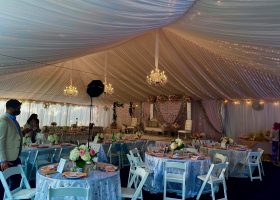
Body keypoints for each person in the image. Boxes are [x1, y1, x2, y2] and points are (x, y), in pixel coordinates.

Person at [0, 99, 23, 197]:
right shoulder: (3, 119)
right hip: (6, 159)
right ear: (10, 108)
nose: (19, 110)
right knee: (3, 185)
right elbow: (0, 141)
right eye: (18, 108)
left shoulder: (13, 119)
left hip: (14, 157)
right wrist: (3, 160)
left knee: (16, 183)